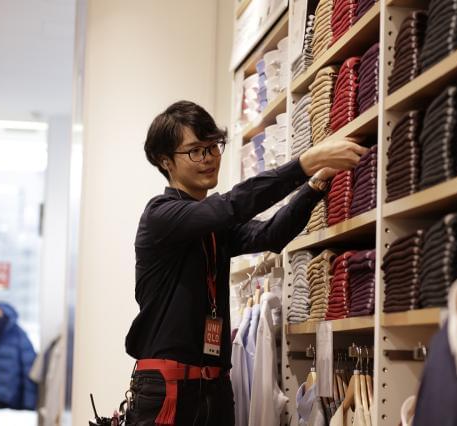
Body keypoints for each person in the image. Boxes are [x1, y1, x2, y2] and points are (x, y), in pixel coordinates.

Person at [124, 100, 367, 425]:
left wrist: (317, 182)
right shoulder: (160, 215)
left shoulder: (214, 228)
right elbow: (230, 207)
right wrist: (303, 165)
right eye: (195, 151)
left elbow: (270, 234)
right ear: (165, 160)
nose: (209, 157)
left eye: (213, 146)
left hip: (215, 387)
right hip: (169, 389)